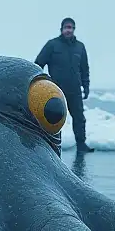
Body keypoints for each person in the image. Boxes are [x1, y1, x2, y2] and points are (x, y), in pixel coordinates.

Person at [35, 17, 93, 152]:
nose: (69, 30)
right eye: (66, 27)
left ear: (74, 29)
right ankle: (50, 146)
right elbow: (38, 64)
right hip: (56, 90)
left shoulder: (80, 47)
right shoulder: (52, 45)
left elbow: (85, 68)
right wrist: (40, 84)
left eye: (71, 27)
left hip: (74, 90)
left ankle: (81, 144)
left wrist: (86, 86)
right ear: (61, 29)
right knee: (53, 119)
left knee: (79, 118)